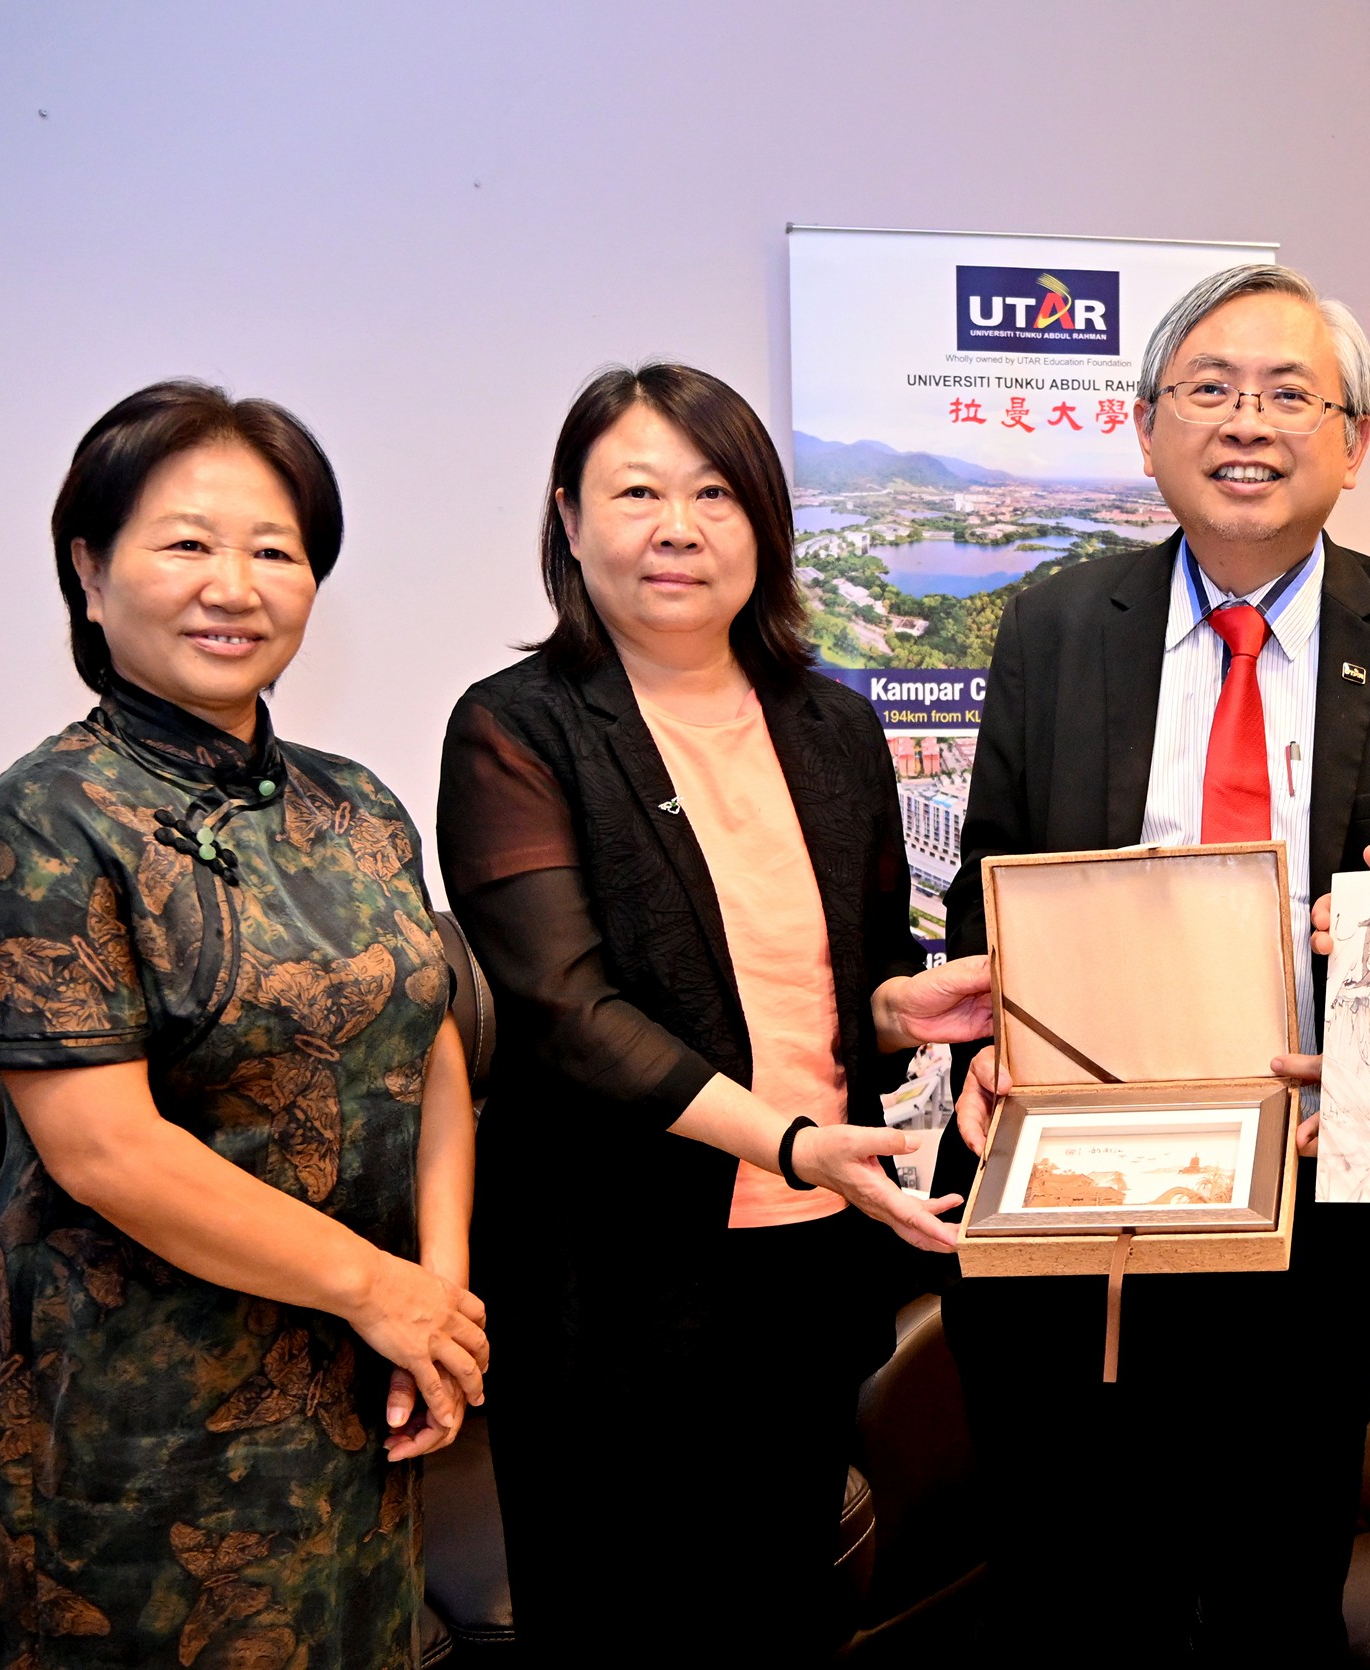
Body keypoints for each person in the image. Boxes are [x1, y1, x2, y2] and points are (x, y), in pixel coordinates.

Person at [936, 264, 1370, 1666]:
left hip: (1319, 1210)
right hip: (1085, 1195)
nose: (1246, 423)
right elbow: (996, 885)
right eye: (1208, 390)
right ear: (1146, 427)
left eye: (1288, 393)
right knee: (1078, 1600)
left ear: (1354, 439)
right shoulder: (1046, 630)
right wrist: (992, 1046)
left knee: (1276, 1600)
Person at [435, 362, 996, 1663]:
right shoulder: (515, 731)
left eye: (713, 491)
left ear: (763, 525)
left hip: (802, 1270)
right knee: (621, 1623)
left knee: (782, 1612)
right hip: (610, 1280)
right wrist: (793, 1139)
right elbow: (568, 1010)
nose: (677, 524)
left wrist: (915, 1007)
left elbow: (843, 980)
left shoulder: (832, 722)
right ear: (569, 520)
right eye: (636, 490)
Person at [0, 381, 486, 1670]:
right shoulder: (49, 815)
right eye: (187, 542)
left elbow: (433, 1050)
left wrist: (439, 1297)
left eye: (275, 551)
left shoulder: (358, 808)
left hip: (361, 1385)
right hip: (145, 1426)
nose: (233, 584)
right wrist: (385, 1291)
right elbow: (104, 1150)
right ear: (90, 571)